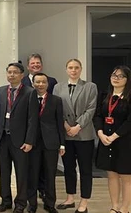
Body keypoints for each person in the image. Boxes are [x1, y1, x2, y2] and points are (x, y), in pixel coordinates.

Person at [53, 59, 97, 213]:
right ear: (66, 70)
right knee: (69, 168)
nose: (73, 70)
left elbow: (91, 109)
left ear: (81, 69)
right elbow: (56, 108)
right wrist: (66, 126)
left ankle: (84, 201)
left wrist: (77, 126)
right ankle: (70, 198)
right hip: (66, 135)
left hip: (84, 134)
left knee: (85, 169)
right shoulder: (58, 87)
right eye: (70, 67)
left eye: (76, 67)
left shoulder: (90, 86)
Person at [0, 62, 37, 213]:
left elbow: (33, 119)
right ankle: (5, 200)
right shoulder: (0, 91)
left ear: (21, 75)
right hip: (3, 139)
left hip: (20, 140)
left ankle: (20, 203)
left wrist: (29, 140)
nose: (11, 75)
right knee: (4, 171)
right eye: (9, 72)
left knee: (22, 173)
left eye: (15, 72)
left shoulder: (29, 92)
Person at [93, 65, 131, 213]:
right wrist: (100, 133)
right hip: (105, 139)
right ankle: (114, 206)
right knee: (112, 174)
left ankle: (125, 207)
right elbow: (98, 116)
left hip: (124, 141)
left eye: (120, 76)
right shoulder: (104, 95)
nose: (116, 78)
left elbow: (129, 121)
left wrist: (114, 136)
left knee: (126, 176)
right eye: (114, 75)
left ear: (127, 79)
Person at [26, 73, 65, 213]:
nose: (40, 84)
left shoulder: (56, 100)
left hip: (51, 143)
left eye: (43, 82)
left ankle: (50, 203)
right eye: (37, 82)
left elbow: (60, 123)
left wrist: (62, 144)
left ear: (48, 84)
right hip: (33, 143)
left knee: (50, 174)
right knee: (33, 174)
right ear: (33, 83)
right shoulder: (28, 99)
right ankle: (32, 204)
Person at [22, 53, 58, 201]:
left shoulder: (51, 81)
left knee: (46, 168)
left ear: (41, 65)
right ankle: (31, 199)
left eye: (38, 63)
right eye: (33, 63)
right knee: (31, 167)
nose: (35, 65)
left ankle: (44, 193)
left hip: (47, 132)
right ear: (28, 66)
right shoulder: (22, 81)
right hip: (29, 132)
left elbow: (54, 105)